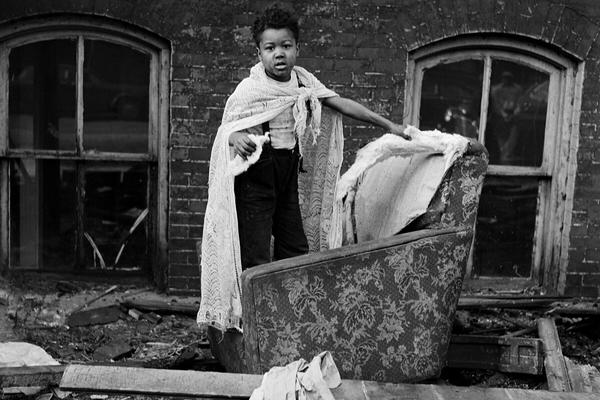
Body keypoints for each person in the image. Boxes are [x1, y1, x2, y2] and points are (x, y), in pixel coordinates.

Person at [197, 5, 409, 332]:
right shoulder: (249, 90)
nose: (278, 54)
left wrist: (388, 124)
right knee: (255, 255)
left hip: (288, 179)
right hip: (255, 181)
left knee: (295, 249)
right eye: (270, 48)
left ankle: (288, 320)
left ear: (298, 48)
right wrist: (236, 137)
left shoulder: (304, 81)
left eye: (286, 46)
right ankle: (255, 326)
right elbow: (226, 130)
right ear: (259, 52)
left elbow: (340, 102)